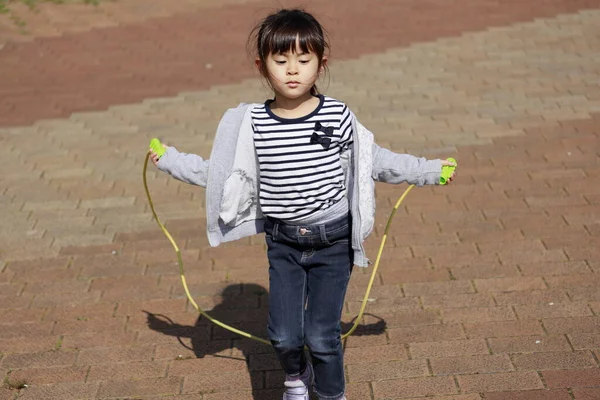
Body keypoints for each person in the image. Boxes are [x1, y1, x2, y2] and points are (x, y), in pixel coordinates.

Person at [150, 8, 456, 400]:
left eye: (304, 60)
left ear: (321, 63)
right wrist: (171, 160)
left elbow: (374, 160)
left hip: (333, 242)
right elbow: (223, 175)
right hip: (284, 243)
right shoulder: (254, 124)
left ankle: (331, 395)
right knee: (282, 335)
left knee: (322, 336)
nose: (292, 70)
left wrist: (429, 170)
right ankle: (296, 376)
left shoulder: (337, 114)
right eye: (281, 61)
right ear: (262, 66)